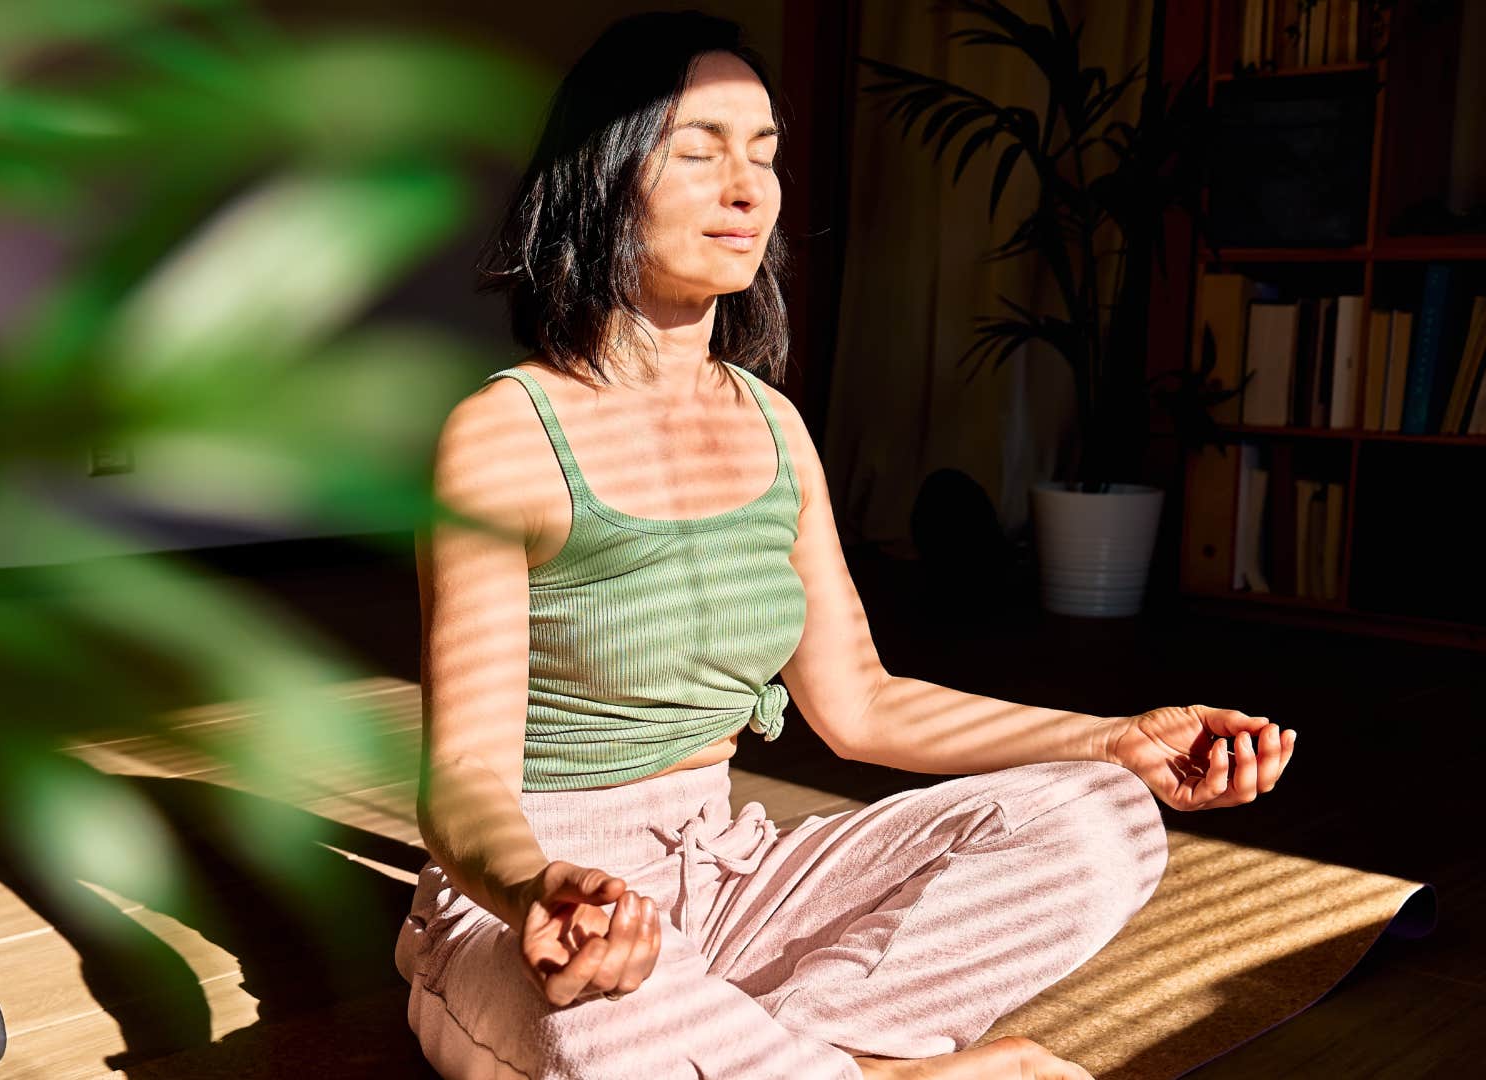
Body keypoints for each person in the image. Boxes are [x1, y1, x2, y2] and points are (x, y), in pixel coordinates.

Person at [393, 12, 1297, 1079]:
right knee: (593, 1026)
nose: (748, 187)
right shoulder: (505, 436)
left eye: (764, 153)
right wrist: (537, 890)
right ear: (601, 176)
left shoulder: (773, 427)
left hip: (730, 874)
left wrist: (1112, 739)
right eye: (698, 149)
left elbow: (861, 704)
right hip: (550, 906)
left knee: (1105, 818)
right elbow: (461, 778)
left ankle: (791, 1059)